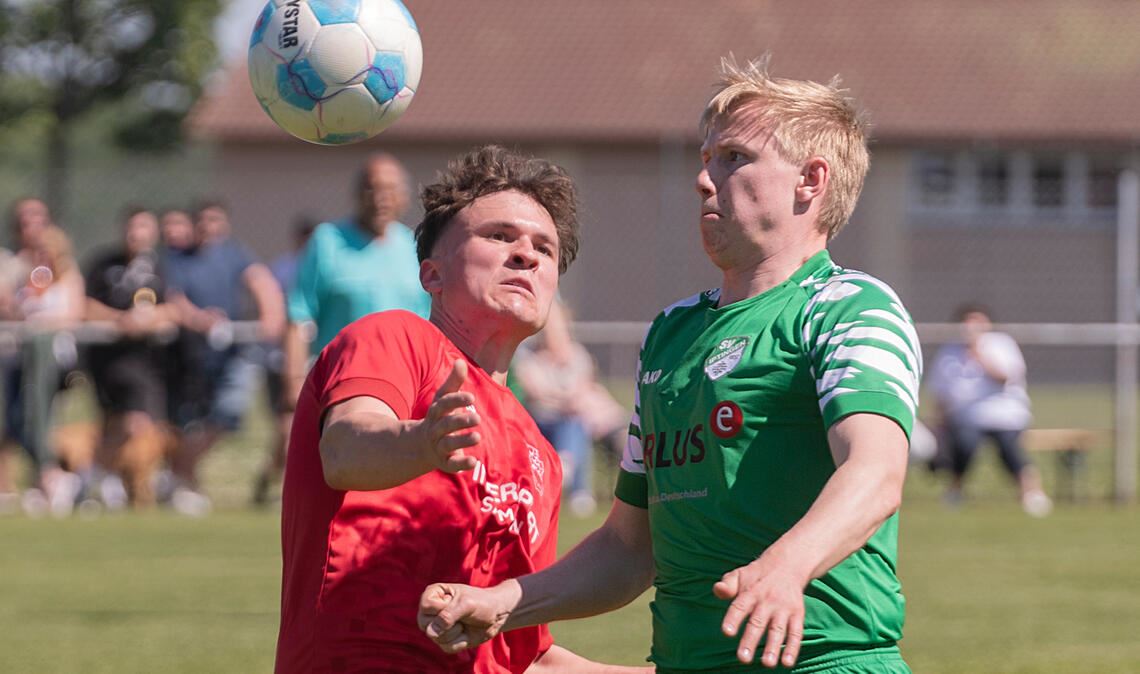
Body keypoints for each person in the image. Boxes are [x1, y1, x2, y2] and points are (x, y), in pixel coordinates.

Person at [419, 56, 922, 674]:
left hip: (823, 661)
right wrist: (503, 603)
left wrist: (787, 567)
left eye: (734, 158)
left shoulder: (848, 306)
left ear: (810, 181)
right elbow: (628, 550)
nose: (705, 180)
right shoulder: (670, 334)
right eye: (706, 159)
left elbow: (875, 472)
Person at [276, 146, 644, 673]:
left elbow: (524, 655)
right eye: (499, 236)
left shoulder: (540, 452)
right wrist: (421, 442)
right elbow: (345, 447)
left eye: (545, 247)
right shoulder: (396, 339)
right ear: (431, 274)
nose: (526, 255)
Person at [161, 198, 285, 515]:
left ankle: (181, 474)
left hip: (232, 353)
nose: (209, 228)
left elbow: (261, 282)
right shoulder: (177, 259)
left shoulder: (234, 253)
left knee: (228, 416)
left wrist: (271, 316)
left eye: (215, 221)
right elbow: (174, 298)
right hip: (191, 355)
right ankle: (184, 481)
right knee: (189, 424)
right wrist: (199, 319)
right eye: (203, 221)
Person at [282, 153, 431, 408]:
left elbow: (429, 323)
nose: (380, 199)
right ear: (357, 194)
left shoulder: (414, 247)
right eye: (371, 188)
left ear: (405, 197)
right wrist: (293, 381)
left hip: (405, 384)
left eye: (390, 190)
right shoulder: (327, 241)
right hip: (340, 383)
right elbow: (299, 315)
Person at [83, 206, 178, 508]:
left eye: (144, 228)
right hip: (108, 360)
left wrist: (150, 320)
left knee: (139, 424)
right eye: (132, 227)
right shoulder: (103, 264)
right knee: (115, 424)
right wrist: (120, 320)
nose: (136, 234)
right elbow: (84, 305)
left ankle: (109, 481)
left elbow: (176, 308)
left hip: (148, 362)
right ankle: (103, 480)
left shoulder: (162, 268)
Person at [1, 199, 86, 517]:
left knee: (41, 417)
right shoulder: (21, 272)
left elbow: (72, 314)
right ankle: (37, 482)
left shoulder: (65, 274)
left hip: (51, 359)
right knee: (18, 418)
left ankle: (53, 477)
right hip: (18, 358)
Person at [927, 304, 1052, 517]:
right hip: (966, 416)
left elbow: (1004, 377)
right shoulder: (949, 351)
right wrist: (939, 421)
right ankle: (955, 490)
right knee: (964, 445)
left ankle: (1031, 492)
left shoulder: (1002, 344)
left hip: (1005, 416)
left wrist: (979, 355)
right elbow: (941, 392)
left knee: (1009, 449)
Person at [512, 299, 628, 517]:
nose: (554, 335)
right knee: (575, 421)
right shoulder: (528, 359)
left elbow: (581, 389)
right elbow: (536, 394)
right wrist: (566, 400)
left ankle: (571, 473)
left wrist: (560, 397)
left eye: (558, 330)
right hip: (541, 421)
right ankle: (577, 486)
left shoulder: (578, 356)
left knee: (576, 423)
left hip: (580, 419)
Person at [252, 216, 316, 507]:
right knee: (287, 429)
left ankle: (272, 480)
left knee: (301, 432)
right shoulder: (283, 269)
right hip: (283, 363)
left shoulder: (325, 270)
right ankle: (285, 488)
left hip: (317, 361)